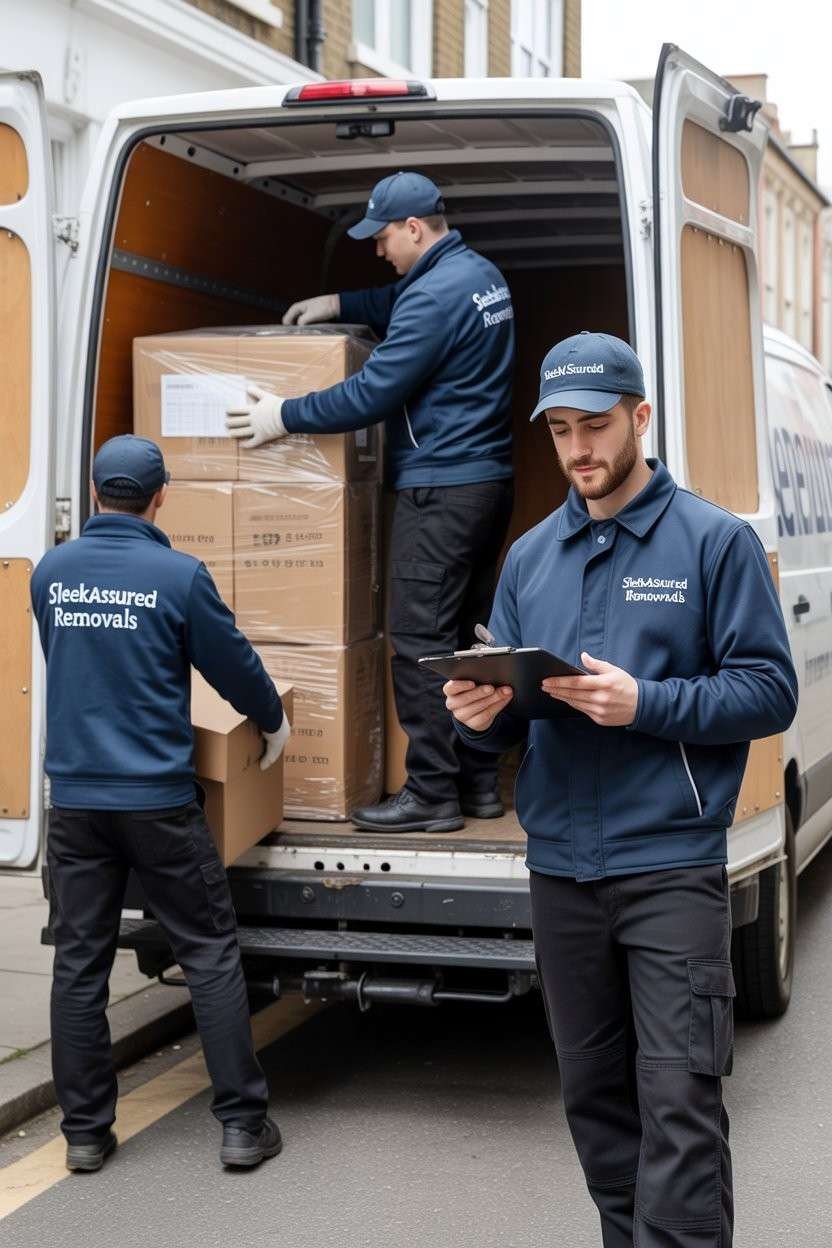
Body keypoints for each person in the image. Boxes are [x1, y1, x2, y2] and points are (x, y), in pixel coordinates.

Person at [444, 332, 798, 1247]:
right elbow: (525, 704)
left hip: (669, 863)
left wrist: (645, 702)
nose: (578, 451)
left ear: (641, 416)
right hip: (562, 870)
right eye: (560, 431)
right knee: (597, 1106)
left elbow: (769, 689)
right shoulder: (530, 558)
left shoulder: (714, 542)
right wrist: (485, 714)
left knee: (679, 1102)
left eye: (595, 426)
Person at [226, 170, 515, 834]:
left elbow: (371, 394)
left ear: (414, 228)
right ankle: (476, 786)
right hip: (488, 483)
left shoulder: (436, 295)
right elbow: (406, 301)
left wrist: (283, 414)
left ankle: (431, 794)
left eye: (383, 237)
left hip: (441, 489)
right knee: (470, 641)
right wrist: (342, 300)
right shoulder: (478, 276)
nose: (379, 249)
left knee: (418, 641)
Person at [31, 435, 291, 1173]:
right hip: (157, 803)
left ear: (93, 491)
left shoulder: (51, 572)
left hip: (76, 802)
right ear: (161, 496)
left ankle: (84, 1133)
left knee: (79, 963)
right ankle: (243, 1125)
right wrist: (271, 723)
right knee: (207, 951)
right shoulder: (178, 576)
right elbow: (232, 661)